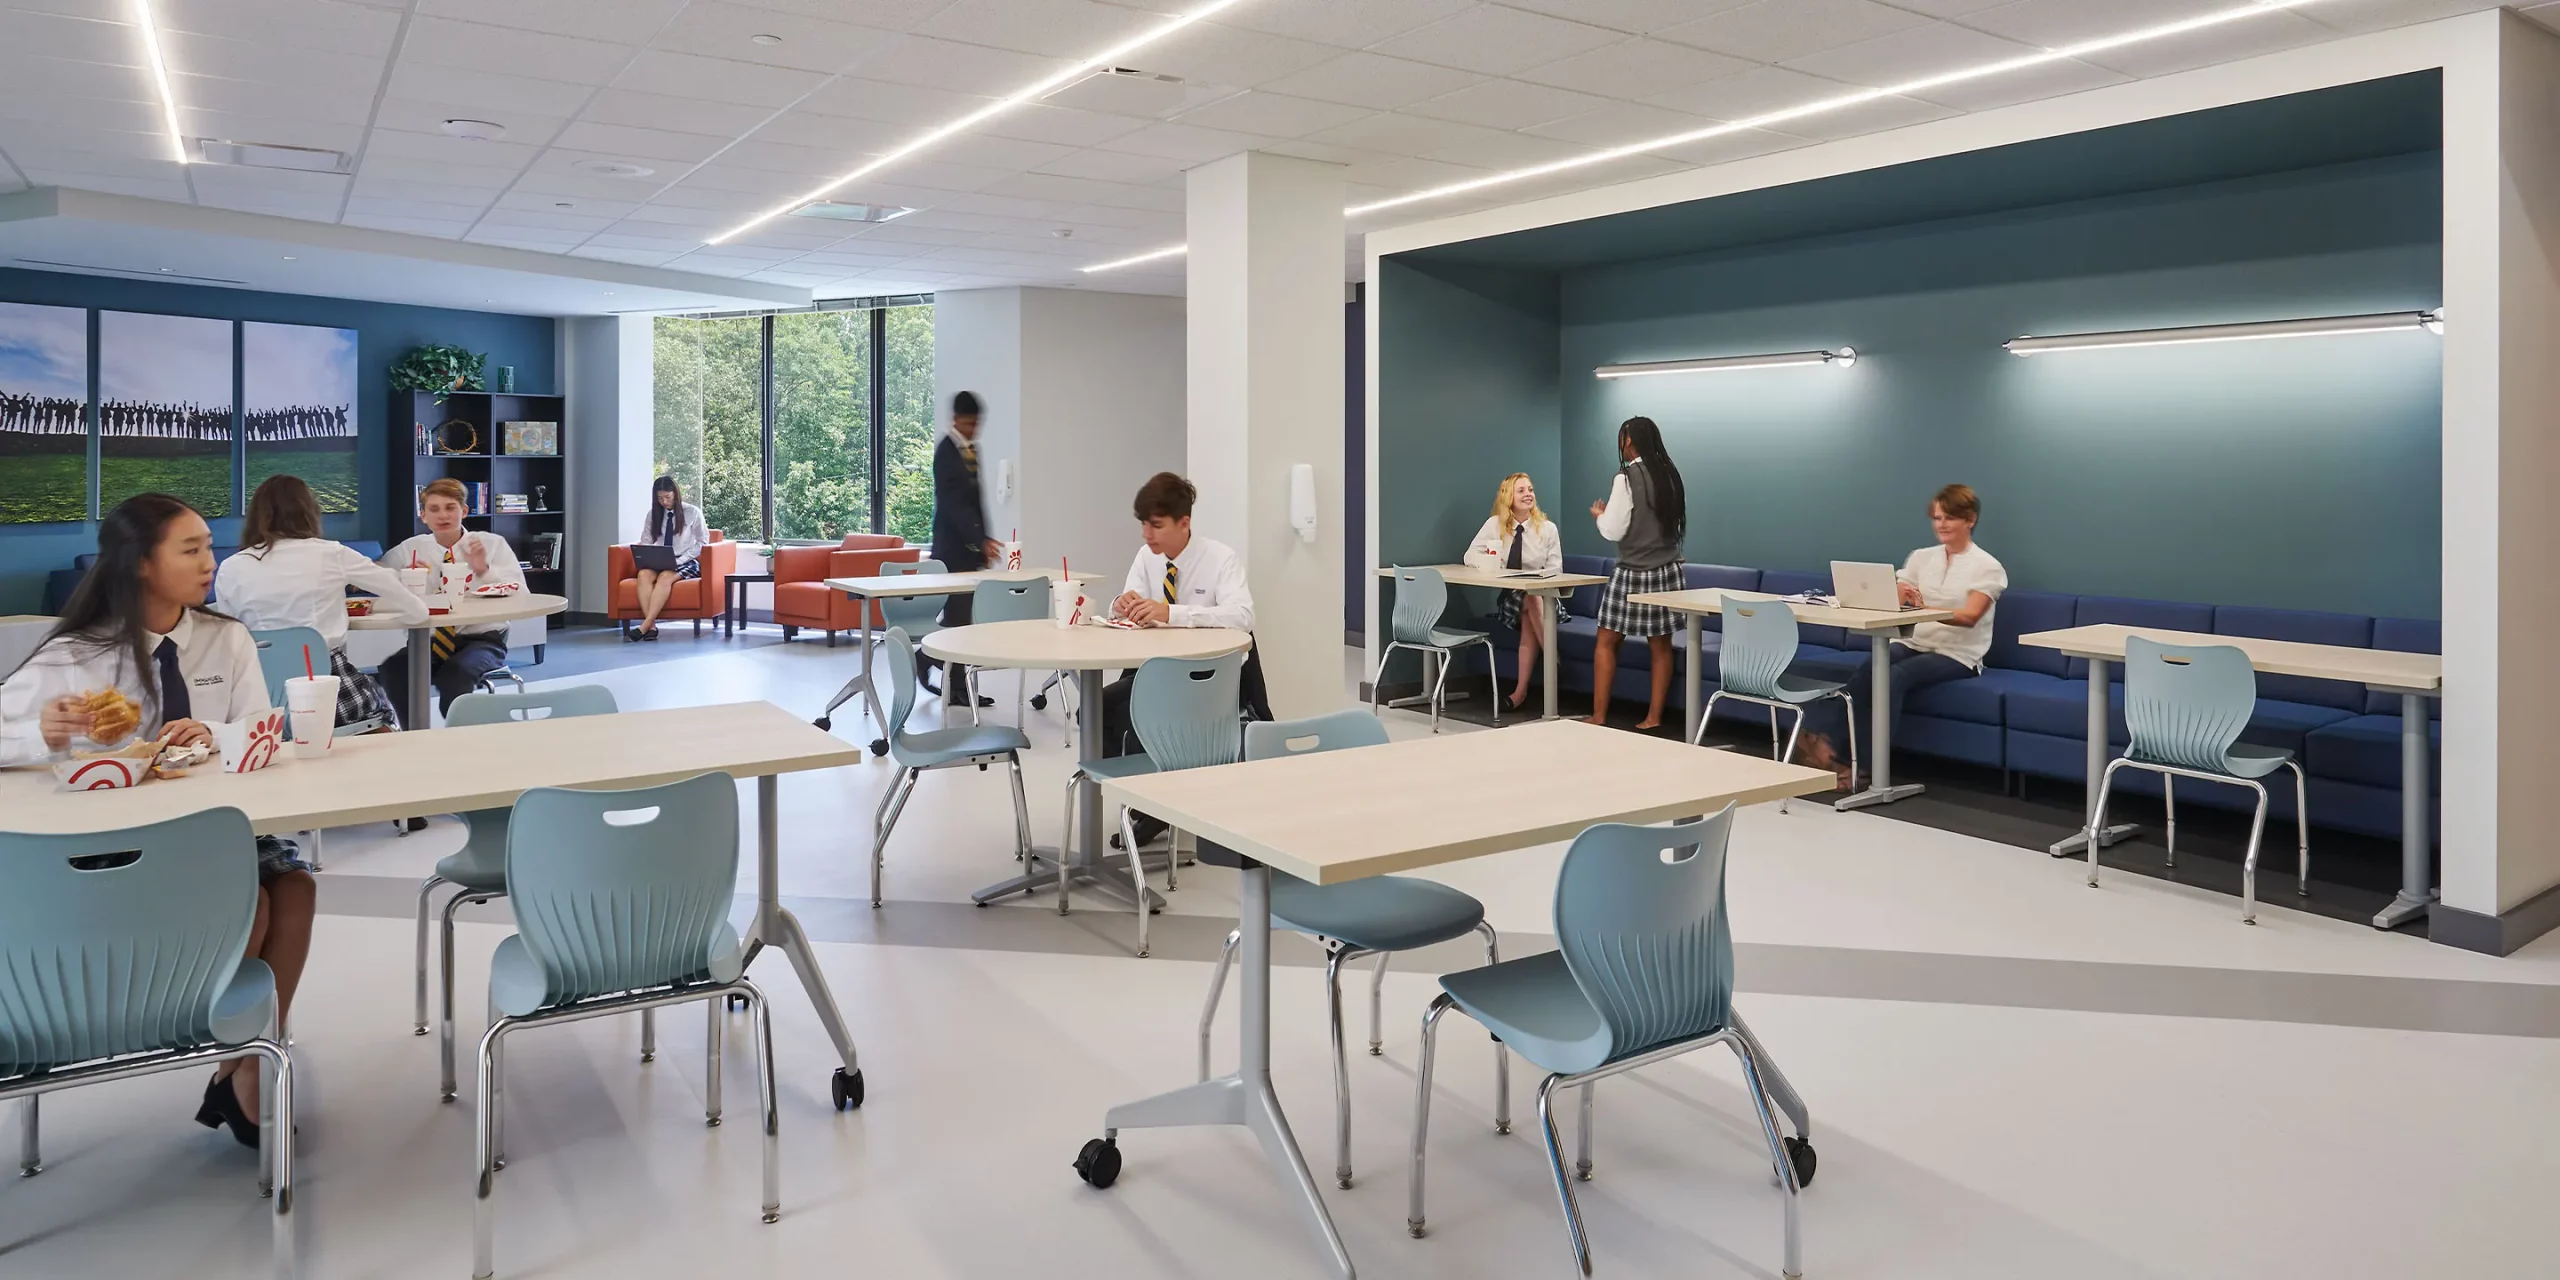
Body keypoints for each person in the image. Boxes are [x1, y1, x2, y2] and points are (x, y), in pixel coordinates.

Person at [0, 493, 313, 1150]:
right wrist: (43, 733)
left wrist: (216, 733)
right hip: (110, 847)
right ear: (142, 562)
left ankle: (246, 1062)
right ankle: (227, 1050)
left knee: (295, 887)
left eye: (209, 547)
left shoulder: (225, 637)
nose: (209, 562)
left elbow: (260, 729)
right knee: (251, 904)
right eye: (190, 549)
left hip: (210, 828)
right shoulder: (77, 653)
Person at [1797, 484, 2008, 789]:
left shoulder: (1988, 567)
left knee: (1895, 676)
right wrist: (1898, 596)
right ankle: (1832, 744)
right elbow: (1896, 594)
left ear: (1970, 520)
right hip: (1913, 642)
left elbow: (1969, 616)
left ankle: (1863, 766)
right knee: (1870, 668)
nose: (1942, 525)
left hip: (1957, 654)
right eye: (1937, 518)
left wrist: (1923, 607)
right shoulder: (1922, 557)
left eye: (1949, 518)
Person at [1103, 471, 1265, 847]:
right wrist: (1120, 604)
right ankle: (1149, 800)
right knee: (1095, 711)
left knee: (1140, 714)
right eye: (1144, 524)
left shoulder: (1220, 559)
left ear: (1184, 523)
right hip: (1156, 675)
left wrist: (1172, 613)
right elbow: (1128, 602)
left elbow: (1244, 617)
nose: (1147, 534)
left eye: (1156, 525)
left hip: (1206, 681)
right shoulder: (1146, 558)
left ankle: (1160, 805)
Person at [217, 474, 425, 729]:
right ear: (309, 511)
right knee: (384, 717)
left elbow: (230, 637)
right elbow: (416, 609)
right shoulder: (332, 554)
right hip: (328, 691)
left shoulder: (230, 567)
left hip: (259, 702)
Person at [380, 477, 525, 719]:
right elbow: (378, 572)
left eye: (450, 508)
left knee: (456, 674)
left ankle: (454, 731)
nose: (443, 516)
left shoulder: (492, 544)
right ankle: (413, 732)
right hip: (427, 639)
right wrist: (403, 576)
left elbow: (521, 594)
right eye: (434, 509)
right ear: (423, 515)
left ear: (464, 511)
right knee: (394, 669)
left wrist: (483, 570)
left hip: (482, 639)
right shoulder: (410, 548)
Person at [1587, 416, 1687, 730]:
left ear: (1628, 440)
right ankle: (1653, 718)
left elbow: (1614, 530)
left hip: (1631, 571)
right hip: (1667, 569)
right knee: (1660, 645)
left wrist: (1600, 516)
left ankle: (1599, 716)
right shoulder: (1670, 475)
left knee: (1606, 640)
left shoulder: (1627, 478)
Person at [1464, 471, 1565, 712]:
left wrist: (1540, 580)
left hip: (1545, 597)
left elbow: (1557, 569)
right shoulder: (1495, 525)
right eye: (1521, 491)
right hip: (1510, 599)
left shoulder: (1547, 529)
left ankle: (1520, 692)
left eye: (1530, 490)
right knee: (1530, 601)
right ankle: (1553, 659)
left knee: (1533, 600)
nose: (1528, 494)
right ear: (1508, 496)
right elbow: (1469, 555)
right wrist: (1491, 562)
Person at [926, 390, 1000, 702]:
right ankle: (952, 684)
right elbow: (953, 506)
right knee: (958, 622)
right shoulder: (945, 452)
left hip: (969, 549)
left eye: (977, 424)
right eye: (969, 423)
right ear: (956, 419)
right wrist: (978, 540)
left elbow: (976, 502)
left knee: (961, 620)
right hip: (951, 550)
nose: (974, 430)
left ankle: (931, 664)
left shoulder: (971, 451)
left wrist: (985, 539)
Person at [629, 474, 707, 642]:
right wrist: (648, 556)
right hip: (659, 558)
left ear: (675, 494)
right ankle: (651, 627)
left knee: (665, 577)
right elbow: (646, 541)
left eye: (667, 497)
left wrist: (680, 560)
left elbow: (702, 542)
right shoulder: (653, 514)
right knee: (643, 575)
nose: (664, 502)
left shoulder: (692, 512)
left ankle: (645, 625)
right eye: (660, 498)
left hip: (684, 560)